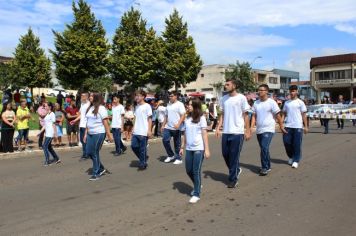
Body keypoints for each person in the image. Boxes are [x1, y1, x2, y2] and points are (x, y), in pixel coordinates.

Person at [215, 79, 252, 188]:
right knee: (225, 154)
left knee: (234, 156)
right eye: (225, 84)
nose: (225, 86)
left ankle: (233, 179)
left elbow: (246, 115)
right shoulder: (223, 99)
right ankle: (236, 169)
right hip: (226, 131)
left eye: (227, 84)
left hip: (237, 132)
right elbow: (221, 115)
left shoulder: (241, 98)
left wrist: (248, 130)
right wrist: (218, 128)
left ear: (234, 86)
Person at [179, 98, 210, 203]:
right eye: (188, 104)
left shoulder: (201, 118)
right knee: (189, 170)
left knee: (196, 171)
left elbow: (204, 134)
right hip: (189, 148)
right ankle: (198, 184)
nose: (188, 106)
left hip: (199, 148)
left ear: (196, 106)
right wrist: (182, 147)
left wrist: (207, 149)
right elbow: (185, 134)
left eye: (190, 105)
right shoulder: (187, 118)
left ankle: (196, 193)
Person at [250, 84, 286, 176]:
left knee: (264, 147)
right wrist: (251, 127)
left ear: (266, 91)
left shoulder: (271, 102)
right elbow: (254, 116)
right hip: (259, 129)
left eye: (262, 90)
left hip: (269, 128)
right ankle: (268, 165)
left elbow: (278, 115)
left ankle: (264, 167)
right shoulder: (256, 103)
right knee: (264, 148)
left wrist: (281, 126)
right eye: (259, 90)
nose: (260, 92)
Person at [84, 93, 113, 180]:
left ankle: (96, 173)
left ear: (96, 98)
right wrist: (85, 134)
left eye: (92, 96)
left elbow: (105, 122)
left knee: (94, 152)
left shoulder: (101, 108)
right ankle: (101, 168)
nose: (90, 97)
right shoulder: (90, 107)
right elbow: (88, 122)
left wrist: (109, 135)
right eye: (90, 96)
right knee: (88, 152)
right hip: (90, 133)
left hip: (99, 133)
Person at [281, 85, 308, 169]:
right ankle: (291, 156)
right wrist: (281, 124)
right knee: (287, 143)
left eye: (294, 91)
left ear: (297, 92)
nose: (292, 92)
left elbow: (304, 115)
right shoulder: (286, 102)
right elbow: (284, 114)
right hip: (288, 125)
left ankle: (296, 160)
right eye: (291, 91)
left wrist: (306, 126)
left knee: (296, 144)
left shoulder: (300, 102)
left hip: (298, 126)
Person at [161, 91, 186, 165]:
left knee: (177, 144)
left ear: (176, 96)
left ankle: (178, 158)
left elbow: (183, 115)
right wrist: (163, 125)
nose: (170, 97)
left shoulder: (180, 104)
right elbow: (166, 116)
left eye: (171, 96)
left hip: (177, 128)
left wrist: (178, 124)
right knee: (165, 140)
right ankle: (171, 155)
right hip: (168, 127)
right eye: (169, 96)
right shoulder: (168, 104)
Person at [131, 90, 152, 170]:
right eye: (136, 96)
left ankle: (142, 164)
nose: (137, 97)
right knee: (134, 146)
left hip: (144, 131)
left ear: (143, 97)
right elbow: (135, 118)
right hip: (136, 130)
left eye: (138, 95)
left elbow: (150, 119)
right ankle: (143, 158)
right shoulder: (137, 106)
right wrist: (133, 127)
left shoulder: (147, 106)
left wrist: (149, 130)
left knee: (142, 149)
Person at [70, 92, 91, 160]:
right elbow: (81, 115)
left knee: (85, 140)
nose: (81, 97)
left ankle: (86, 154)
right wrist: (75, 120)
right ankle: (85, 153)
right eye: (81, 96)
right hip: (81, 125)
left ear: (86, 97)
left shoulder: (89, 104)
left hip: (86, 125)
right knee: (82, 140)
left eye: (82, 96)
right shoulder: (82, 104)